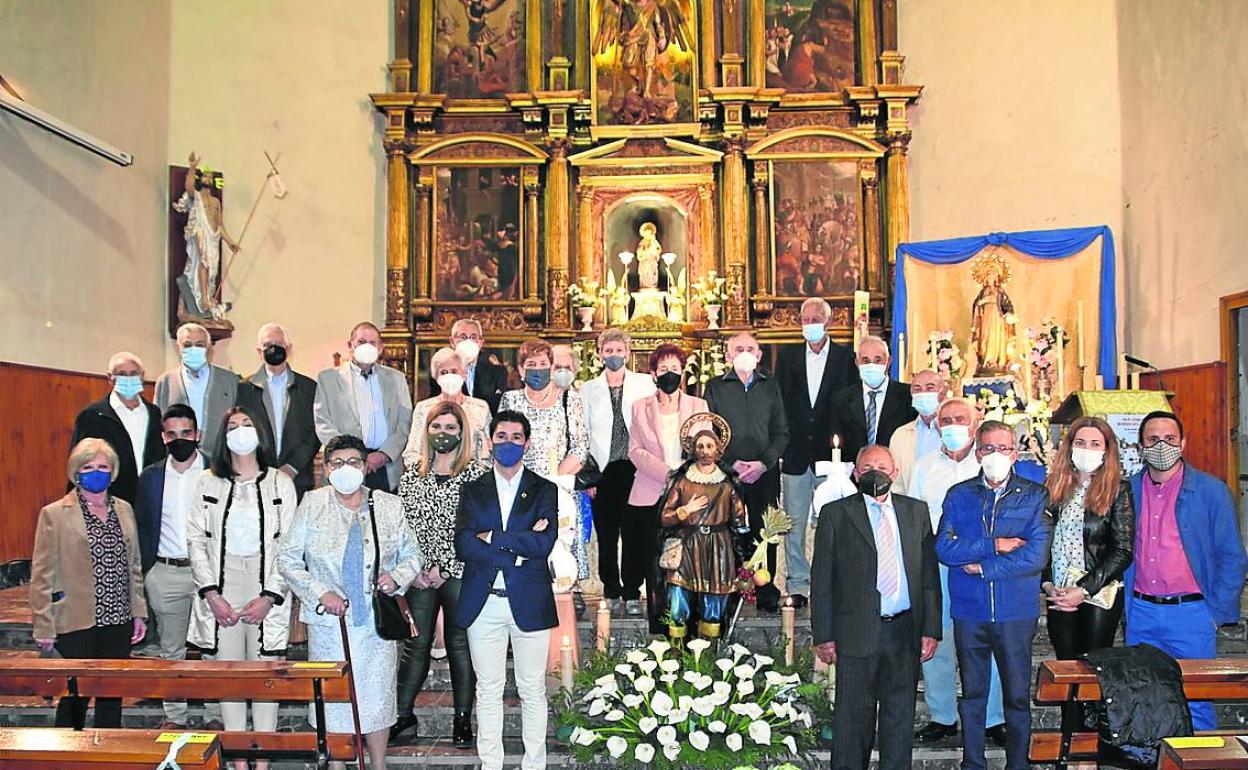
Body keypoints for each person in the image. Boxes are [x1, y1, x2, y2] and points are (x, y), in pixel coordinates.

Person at [279, 434, 423, 770]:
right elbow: (287, 559)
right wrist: (320, 593)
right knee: (332, 697)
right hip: (331, 624)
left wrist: (396, 577)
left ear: (365, 466)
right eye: (338, 463)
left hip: (375, 621)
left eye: (354, 462)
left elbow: (412, 554)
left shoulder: (388, 505)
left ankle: (378, 764)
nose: (346, 468)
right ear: (327, 468)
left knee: (377, 697)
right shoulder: (312, 503)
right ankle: (338, 763)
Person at [811, 445, 941, 770]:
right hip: (855, 632)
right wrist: (824, 635)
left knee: (899, 722)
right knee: (853, 721)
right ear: (856, 473)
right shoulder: (836, 514)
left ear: (894, 472)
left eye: (882, 466)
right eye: (867, 466)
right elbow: (822, 579)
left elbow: (928, 575)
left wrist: (931, 629)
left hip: (904, 631)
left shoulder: (916, 512)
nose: (875, 472)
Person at [936, 420, 1051, 770]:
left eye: (1003, 448)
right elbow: (944, 547)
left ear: (1015, 453)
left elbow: (1035, 556)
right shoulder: (959, 495)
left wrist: (984, 567)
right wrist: (995, 545)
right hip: (970, 611)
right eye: (987, 448)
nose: (995, 455)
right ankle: (973, 763)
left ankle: (1019, 764)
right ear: (977, 452)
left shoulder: (1035, 495)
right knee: (973, 696)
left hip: (1015, 612)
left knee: (1016, 696)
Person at [187, 406, 296, 769]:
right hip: (222, 580)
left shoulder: (280, 482)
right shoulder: (207, 480)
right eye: (232, 426)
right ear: (223, 437)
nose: (240, 431)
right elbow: (196, 539)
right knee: (229, 675)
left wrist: (270, 595)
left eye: (247, 425)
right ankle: (235, 760)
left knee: (266, 675)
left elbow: (290, 545)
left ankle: (262, 761)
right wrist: (211, 594)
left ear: (260, 432)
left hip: (268, 581)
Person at [1125, 411, 1248, 731]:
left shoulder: (1211, 491)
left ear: (1183, 443)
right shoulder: (1127, 491)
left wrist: (1215, 612)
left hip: (1191, 612)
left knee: (1196, 699)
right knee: (1145, 698)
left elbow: (1232, 556)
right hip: (1141, 611)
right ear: (1140, 447)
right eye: (1152, 440)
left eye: (1169, 439)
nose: (1161, 446)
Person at [453, 411, 559, 770]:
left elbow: (543, 543)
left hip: (529, 600)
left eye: (516, 437)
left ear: (526, 444)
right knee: (488, 690)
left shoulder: (545, 489)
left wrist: (495, 538)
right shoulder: (472, 488)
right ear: (489, 441)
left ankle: (534, 764)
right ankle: (491, 764)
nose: (508, 443)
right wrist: (516, 552)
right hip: (483, 604)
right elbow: (464, 545)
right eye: (502, 436)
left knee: (532, 690)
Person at [30, 438, 147, 728]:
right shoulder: (55, 514)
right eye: (89, 467)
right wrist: (43, 624)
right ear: (76, 472)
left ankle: (108, 753)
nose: (97, 472)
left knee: (111, 696)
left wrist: (138, 612)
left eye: (103, 467)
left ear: (113, 471)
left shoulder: (124, 509)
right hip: (77, 619)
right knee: (74, 698)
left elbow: (133, 565)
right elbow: (41, 574)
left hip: (118, 618)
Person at [908, 398, 1006, 745]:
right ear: (937, 426)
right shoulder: (923, 467)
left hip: (982, 565)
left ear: (975, 423)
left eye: (959, 419)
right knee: (936, 638)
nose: (952, 425)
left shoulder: (991, 465)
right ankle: (943, 716)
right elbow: (915, 519)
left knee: (987, 640)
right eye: (946, 419)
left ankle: (993, 719)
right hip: (937, 564)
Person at [393, 401, 487, 746]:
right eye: (437, 427)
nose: (443, 434)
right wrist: (416, 570)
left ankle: (462, 721)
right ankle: (402, 717)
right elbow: (402, 530)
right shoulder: (410, 477)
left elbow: (478, 529)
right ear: (426, 431)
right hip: (419, 576)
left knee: (460, 645)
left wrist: (446, 567)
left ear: (461, 433)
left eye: (450, 428)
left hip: (460, 572)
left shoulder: (476, 476)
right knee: (414, 645)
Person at [1042, 416, 1135, 733]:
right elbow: (1043, 542)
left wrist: (1083, 590)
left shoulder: (1118, 490)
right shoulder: (1055, 489)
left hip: (1099, 593)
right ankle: (1070, 746)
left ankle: (1091, 753)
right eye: (1080, 442)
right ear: (1069, 448)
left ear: (1107, 450)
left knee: (1093, 671)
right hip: (1059, 592)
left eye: (1095, 443)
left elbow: (1122, 550)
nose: (1087, 449)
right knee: (1067, 669)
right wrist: (1048, 584)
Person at [134, 404, 215, 729]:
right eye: (172, 434)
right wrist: (148, 573)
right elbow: (143, 525)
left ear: (197, 435)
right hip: (166, 572)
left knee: (213, 648)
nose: (179, 439)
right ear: (163, 437)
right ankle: (175, 718)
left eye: (186, 433)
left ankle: (215, 716)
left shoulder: (217, 472)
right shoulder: (151, 476)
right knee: (171, 651)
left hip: (209, 574)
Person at [774, 298, 858, 607]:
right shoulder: (787, 357)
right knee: (793, 522)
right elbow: (779, 402)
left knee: (832, 520)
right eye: (805, 319)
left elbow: (851, 407)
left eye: (815, 318)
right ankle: (798, 582)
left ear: (829, 321)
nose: (810, 323)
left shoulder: (847, 358)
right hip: (795, 453)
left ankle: (834, 581)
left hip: (832, 455)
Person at [704, 332, 789, 612]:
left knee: (766, 530)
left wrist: (764, 462)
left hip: (764, 472)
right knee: (729, 530)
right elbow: (709, 431)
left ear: (759, 354)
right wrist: (731, 463)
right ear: (728, 355)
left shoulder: (772, 387)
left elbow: (781, 432)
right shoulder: (715, 387)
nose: (744, 352)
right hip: (728, 472)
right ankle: (731, 587)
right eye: (738, 348)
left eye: (750, 348)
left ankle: (765, 589)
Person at [629, 344, 709, 633]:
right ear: (653, 373)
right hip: (651, 491)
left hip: (690, 493)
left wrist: (684, 475)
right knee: (655, 563)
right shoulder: (640, 407)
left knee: (688, 561)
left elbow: (707, 446)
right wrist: (667, 473)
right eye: (663, 369)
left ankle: (688, 625)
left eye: (675, 368)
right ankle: (659, 627)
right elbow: (635, 450)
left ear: (683, 372)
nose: (669, 374)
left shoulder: (698, 406)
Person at [498, 339, 590, 574]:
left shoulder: (570, 399)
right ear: (520, 369)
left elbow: (580, 447)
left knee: (560, 565)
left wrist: (551, 480)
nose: (537, 368)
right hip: (519, 489)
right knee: (523, 561)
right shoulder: (511, 400)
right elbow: (502, 443)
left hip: (558, 486)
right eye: (531, 363)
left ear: (551, 368)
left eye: (542, 363)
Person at [580, 328, 656, 615]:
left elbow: (652, 427)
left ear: (628, 352)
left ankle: (633, 592)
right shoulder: (587, 390)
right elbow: (582, 434)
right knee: (607, 533)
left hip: (637, 469)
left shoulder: (646, 384)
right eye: (608, 350)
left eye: (619, 350)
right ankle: (611, 589)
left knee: (634, 533)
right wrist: (587, 477)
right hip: (604, 471)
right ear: (600, 354)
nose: (614, 355)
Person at [657, 423, 749, 641]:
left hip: (718, 547)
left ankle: (708, 657)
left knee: (714, 602)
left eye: (710, 446)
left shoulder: (727, 485)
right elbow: (664, 517)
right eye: (700, 446)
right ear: (693, 450)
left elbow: (739, 521)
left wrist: (748, 554)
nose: (705, 451)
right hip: (687, 545)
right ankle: (676, 655)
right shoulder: (681, 481)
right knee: (678, 600)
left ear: (718, 451)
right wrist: (684, 511)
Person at [314, 321, 414, 492]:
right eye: (361, 342)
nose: (367, 346)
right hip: (345, 467)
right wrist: (351, 457)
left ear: (381, 348)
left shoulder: (396, 379)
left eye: (372, 342)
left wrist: (384, 455)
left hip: (384, 467)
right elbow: (322, 422)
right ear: (350, 346)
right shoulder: (328, 378)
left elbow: (404, 424)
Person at [236, 323, 320, 499]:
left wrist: (292, 467)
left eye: (279, 344)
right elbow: (241, 432)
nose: (273, 349)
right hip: (256, 478)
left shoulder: (308, 387)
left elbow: (314, 432)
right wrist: (262, 470)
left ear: (288, 349)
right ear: (259, 352)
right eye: (267, 345)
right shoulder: (244, 389)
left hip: (298, 479)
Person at [71, 351, 165, 504]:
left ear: (142, 376)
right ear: (110, 378)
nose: (128, 378)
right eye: (121, 374)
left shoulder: (155, 414)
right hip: (107, 501)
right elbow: (77, 464)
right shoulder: (92, 416)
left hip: (150, 500)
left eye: (133, 373)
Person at [156, 322, 241, 453]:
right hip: (179, 458)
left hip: (220, 458)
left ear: (208, 348)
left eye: (199, 345)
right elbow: (159, 424)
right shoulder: (165, 381)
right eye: (187, 345)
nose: (193, 349)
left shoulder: (230, 380)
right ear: (179, 347)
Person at [827, 335, 917, 459]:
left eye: (878, 360)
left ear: (888, 361)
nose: (872, 365)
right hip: (854, 472)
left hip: (896, 470)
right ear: (857, 363)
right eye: (865, 360)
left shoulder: (907, 395)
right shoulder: (841, 399)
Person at [403, 347, 492, 467]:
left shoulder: (480, 407)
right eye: (444, 372)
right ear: (436, 377)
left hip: (472, 478)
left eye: (454, 371)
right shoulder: (423, 408)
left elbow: (488, 452)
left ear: (464, 374)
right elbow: (411, 453)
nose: (449, 376)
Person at [430, 318, 508, 413]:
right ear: (452, 342)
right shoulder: (441, 371)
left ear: (480, 342)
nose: (468, 342)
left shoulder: (497, 372)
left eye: (473, 337)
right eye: (463, 337)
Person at [888, 368, 946, 494]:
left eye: (930, 388)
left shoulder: (954, 432)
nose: (923, 393)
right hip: (913, 507)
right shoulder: (901, 435)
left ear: (943, 393)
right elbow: (896, 484)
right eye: (917, 389)